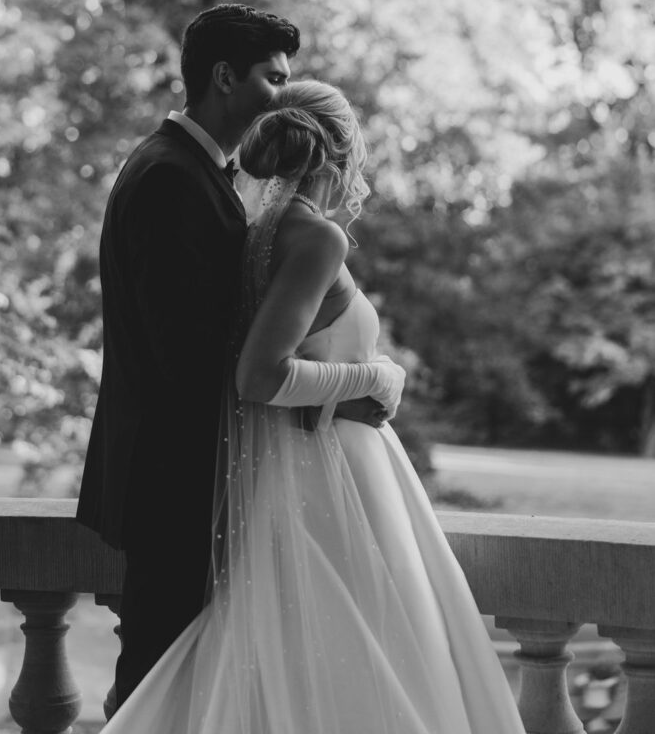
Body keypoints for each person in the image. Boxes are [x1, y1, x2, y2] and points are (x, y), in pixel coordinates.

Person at [100, 79, 526, 734]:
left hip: (303, 470)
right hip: (327, 481)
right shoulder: (315, 237)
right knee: (354, 663)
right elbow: (259, 377)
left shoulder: (257, 230)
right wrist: (375, 378)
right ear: (343, 148)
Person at [76, 2, 300, 709]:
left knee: (171, 669)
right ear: (225, 77)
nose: (284, 94)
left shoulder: (189, 168)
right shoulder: (171, 177)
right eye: (273, 76)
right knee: (154, 674)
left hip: (176, 467)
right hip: (172, 472)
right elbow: (186, 350)